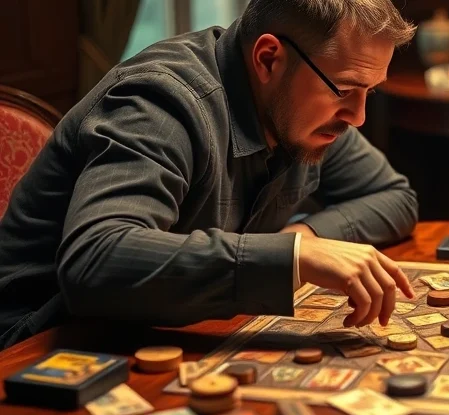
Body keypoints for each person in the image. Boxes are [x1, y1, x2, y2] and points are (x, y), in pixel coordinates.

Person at [0, 0, 420, 350]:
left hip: (155, 331)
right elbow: (95, 261)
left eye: (371, 91)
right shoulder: (160, 103)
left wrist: (304, 240)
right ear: (268, 58)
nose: (359, 116)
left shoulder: (307, 111)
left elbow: (394, 197)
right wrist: (293, 259)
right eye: (345, 90)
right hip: (39, 342)